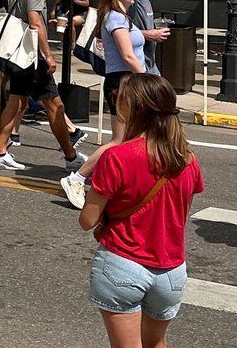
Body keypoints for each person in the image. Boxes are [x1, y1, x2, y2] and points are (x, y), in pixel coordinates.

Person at [78, 74, 204, 348]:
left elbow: (87, 220)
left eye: (118, 97)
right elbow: (179, 216)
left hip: (123, 263)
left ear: (130, 107)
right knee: (156, 344)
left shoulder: (117, 157)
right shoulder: (188, 159)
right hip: (171, 272)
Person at [0, 0, 85, 174]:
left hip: (20, 55)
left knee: (16, 102)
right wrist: (48, 55)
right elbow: (35, 23)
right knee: (54, 105)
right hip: (33, 57)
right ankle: (71, 157)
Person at [59, 0, 145, 207]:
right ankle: (77, 178)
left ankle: (117, 182)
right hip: (124, 84)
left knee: (133, 139)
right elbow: (127, 55)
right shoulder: (116, 18)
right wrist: (147, 81)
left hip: (125, 82)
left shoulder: (120, 17)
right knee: (120, 140)